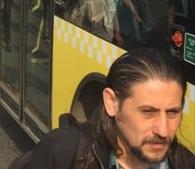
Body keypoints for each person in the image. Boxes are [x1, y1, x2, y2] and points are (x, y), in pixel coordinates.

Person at [19, 48, 195, 168]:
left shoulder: (186, 163)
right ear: (111, 103)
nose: (164, 131)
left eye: (173, 112)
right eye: (148, 112)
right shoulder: (63, 152)